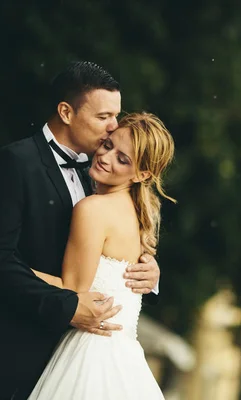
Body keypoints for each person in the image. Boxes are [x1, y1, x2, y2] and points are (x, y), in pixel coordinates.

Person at [0, 61, 161, 400]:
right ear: (66, 111)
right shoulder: (13, 164)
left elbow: (104, 254)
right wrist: (68, 305)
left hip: (55, 362)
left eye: (116, 116)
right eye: (103, 117)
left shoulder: (97, 175)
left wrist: (147, 273)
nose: (113, 128)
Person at [28, 112, 175, 399]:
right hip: (125, 360)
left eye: (123, 160)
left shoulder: (94, 208)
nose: (106, 158)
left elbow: (73, 292)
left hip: (88, 353)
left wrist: (12, 268)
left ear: (142, 174)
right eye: (108, 145)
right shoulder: (139, 214)